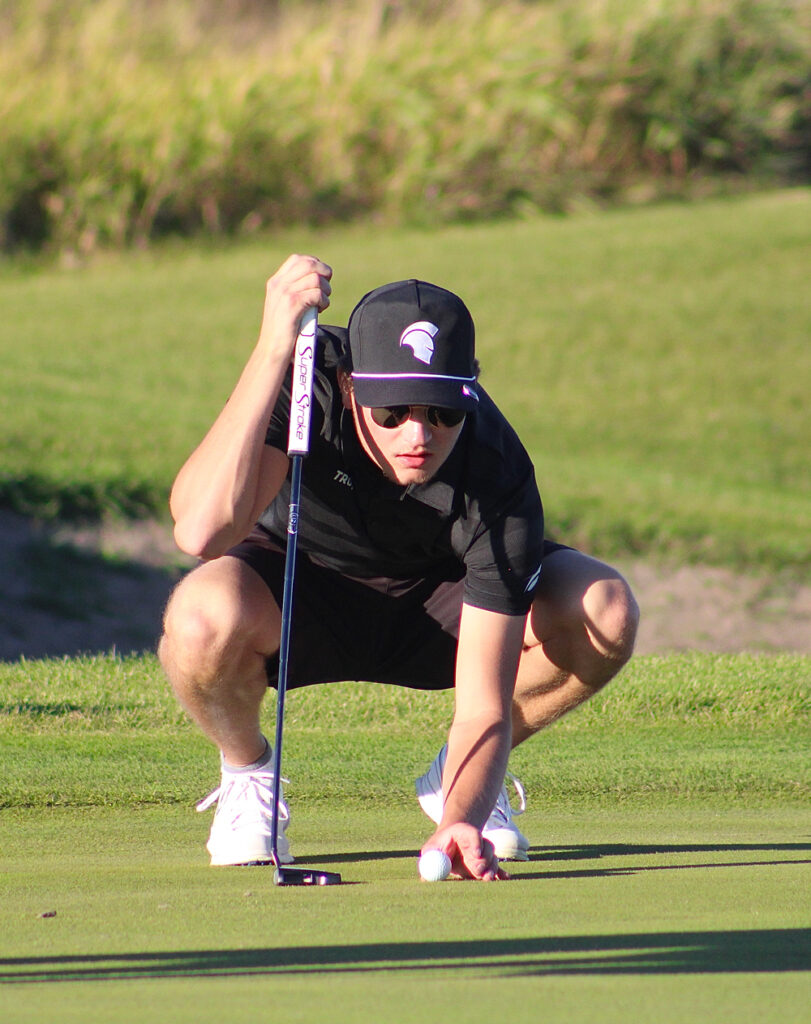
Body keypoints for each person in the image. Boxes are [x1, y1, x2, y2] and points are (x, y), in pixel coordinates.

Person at [158, 253, 639, 882]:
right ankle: (249, 772)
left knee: (604, 609)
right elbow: (201, 530)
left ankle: (460, 780)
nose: (420, 433)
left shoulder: (496, 471)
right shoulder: (303, 384)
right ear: (351, 386)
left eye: (443, 411)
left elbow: (482, 705)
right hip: (299, 584)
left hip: (442, 605)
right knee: (200, 617)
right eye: (393, 412)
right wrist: (273, 347)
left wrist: (459, 820)